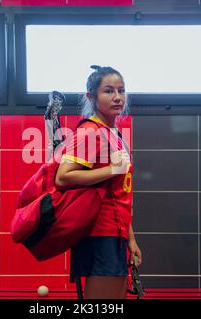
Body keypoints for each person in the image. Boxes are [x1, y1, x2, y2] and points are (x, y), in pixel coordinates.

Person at [55, 65, 142, 299]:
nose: (117, 97)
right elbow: (62, 177)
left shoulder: (114, 134)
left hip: (116, 233)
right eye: (109, 91)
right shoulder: (90, 132)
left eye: (121, 91)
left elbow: (118, 194)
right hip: (99, 233)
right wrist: (112, 169)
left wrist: (131, 239)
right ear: (91, 97)